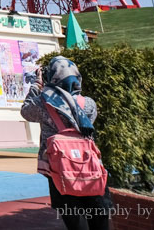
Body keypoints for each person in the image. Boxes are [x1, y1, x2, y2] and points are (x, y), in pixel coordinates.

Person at [21, 56, 113, 230]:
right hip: (90, 168)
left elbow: (26, 111)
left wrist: (36, 85)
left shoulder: (43, 104)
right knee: (99, 221)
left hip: (60, 171)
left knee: (74, 221)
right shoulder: (88, 104)